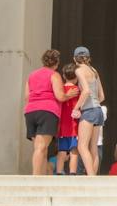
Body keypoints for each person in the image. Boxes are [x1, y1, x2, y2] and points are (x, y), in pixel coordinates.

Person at [23, 50, 68, 176]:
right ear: (57, 63)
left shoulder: (32, 75)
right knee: (41, 148)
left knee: (40, 148)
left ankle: (42, 176)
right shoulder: (54, 75)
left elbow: (27, 96)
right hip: (47, 111)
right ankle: (36, 178)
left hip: (31, 112)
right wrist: (68, 95)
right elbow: (60, 96)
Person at [72, 46, 106, 177]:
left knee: (82, 146)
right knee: (94, 148)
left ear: (75, 58)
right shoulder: (94, 70)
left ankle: (90, 177)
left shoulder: (79, 70)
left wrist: (76, 107)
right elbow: (101, 96)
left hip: (89, 111)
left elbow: (85, 91)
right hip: (98, 111)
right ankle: (93, 176)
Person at [55, 63, 81, 175]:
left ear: (64, 76)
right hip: (75, 127)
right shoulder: (78, 90)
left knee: (61, 151)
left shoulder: (60, 90)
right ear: (77, 77)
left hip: (62, 127)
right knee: (74, 151)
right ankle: (72, 173)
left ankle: (59, 172)